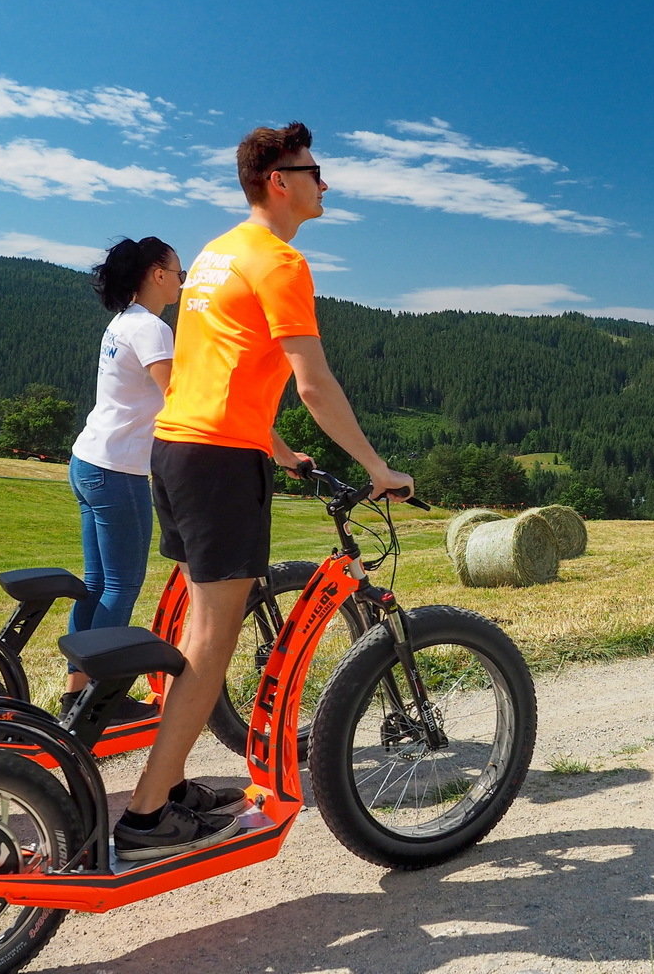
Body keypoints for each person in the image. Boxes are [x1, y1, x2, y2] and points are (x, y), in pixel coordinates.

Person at [112, 121, 414, 862]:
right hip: (216, 463)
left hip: (180, 447)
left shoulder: (217, 254)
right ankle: (148, 819)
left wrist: (274, 447)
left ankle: (172, 785)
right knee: (213, 639)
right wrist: (377, 468)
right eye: (315, 170)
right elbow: (313, 383)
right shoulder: (281, 261)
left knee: (198, 632)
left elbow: (218, 365)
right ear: (280, 180)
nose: (325, 182)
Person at [63, 236, 185, 721]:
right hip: (119, 471)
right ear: (157, 273)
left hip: (88, 460)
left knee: (96, 584)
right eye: (179, 271)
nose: (182, 280)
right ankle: (103, 700)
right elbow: (178, 399)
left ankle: (77, 695)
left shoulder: (122, 323)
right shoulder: (153, 330)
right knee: (121, 585)